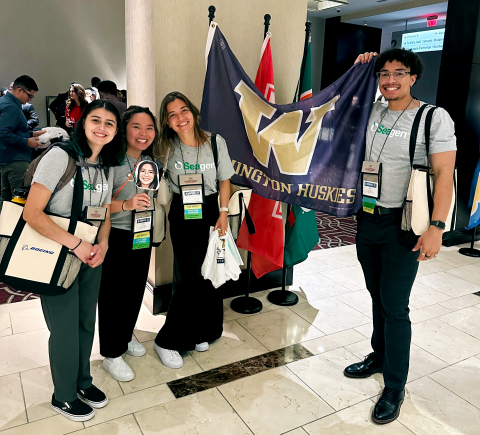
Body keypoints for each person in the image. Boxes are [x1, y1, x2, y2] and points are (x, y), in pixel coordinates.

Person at [343, 49, 457, 424]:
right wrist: (359, 69)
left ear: (413, 77)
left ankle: (395, 384)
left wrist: (437, 228)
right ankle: (380, 354)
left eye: (399, 73)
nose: (390, 80)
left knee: (395, 306)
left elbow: (444, 176)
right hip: (368, 219)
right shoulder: (374, 112)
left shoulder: (432, 118)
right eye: (384, 74)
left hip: (404, 225)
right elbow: (341, 108)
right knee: (376, 294)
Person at [22, 99, 125, 422]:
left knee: (85, 322)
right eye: (96, 120)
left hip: (91, 255)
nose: (102, 128)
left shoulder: (106, 164)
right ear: (82, 123)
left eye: (110, 123)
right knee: (65, 329)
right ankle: (63, 395)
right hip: (57, 253)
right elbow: (31, 213)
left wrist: (104, 244)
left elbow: (104, 211)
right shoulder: (59, 156)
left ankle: (82, 381)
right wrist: (76, 243)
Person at [153, 91, 234, 369]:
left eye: (183, 110)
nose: (180, 118)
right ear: (167, 122)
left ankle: (204, 330)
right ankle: (168, 340)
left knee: (212, 271)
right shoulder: (166, 147)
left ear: (194, 112)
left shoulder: (215, 142)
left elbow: (224, 181)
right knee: (189, 276)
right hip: (183, 211)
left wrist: (223, 214)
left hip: (212, 209)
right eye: (172, 114)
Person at [98, 106, 160, 382]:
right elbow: (96, 206)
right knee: (112, 295)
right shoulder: (111, 161)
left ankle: (124, 336)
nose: (143, 133)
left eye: (149, 128)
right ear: (124, 129)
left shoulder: (150, 162)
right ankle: (111, 353)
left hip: (142, 234)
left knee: (134, 290)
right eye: (136, 126)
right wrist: (126, 204)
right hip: (116, 235)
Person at [0, 75, 43, 201]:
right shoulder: (11, 107)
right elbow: (3, 132)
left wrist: (30, 133)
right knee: (19, 201)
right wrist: (26, 141)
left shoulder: (4, 102)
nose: (30, 99)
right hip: (15, 161)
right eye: (30, 96)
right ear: (19, 90)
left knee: (6, 200)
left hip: (6, 159)